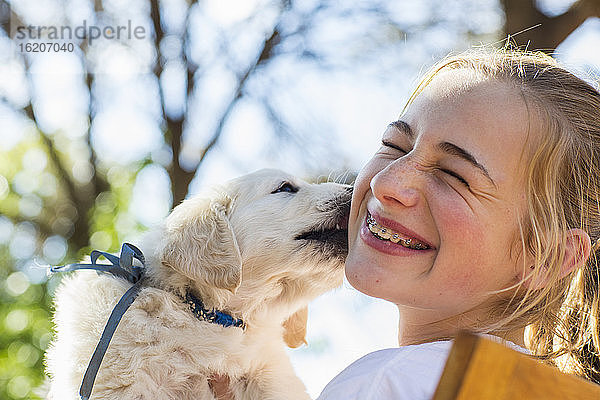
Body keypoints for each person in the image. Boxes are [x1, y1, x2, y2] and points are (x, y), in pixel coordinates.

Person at [211, 48, 600, 399]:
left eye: (454, 175)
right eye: (395, 147)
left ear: (546, 257)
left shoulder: (389, 382)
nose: (387, 183)